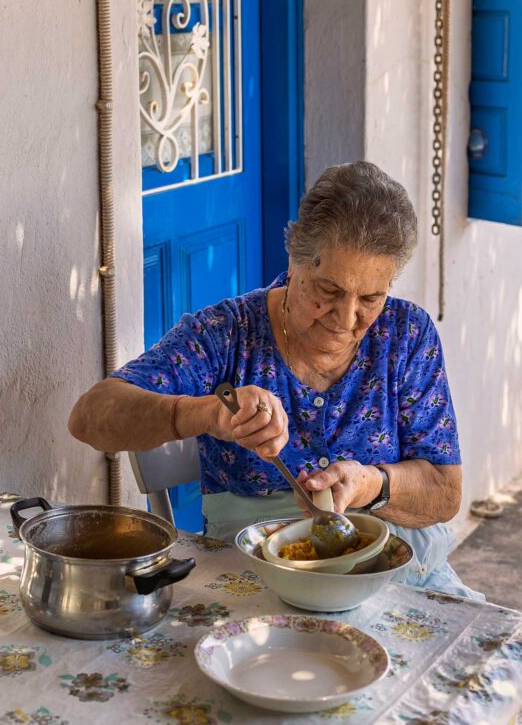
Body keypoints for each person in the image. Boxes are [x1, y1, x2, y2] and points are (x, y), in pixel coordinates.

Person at [68, 160, 483, 600]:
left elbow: (444, 492)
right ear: (294, 260)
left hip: (395, 575)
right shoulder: (227, 335)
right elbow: (90, 416)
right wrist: (206, 413)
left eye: (370, 297)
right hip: (258, 583)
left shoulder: (405, 334)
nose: (346, 319)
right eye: (329, 291)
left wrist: (373, 485)